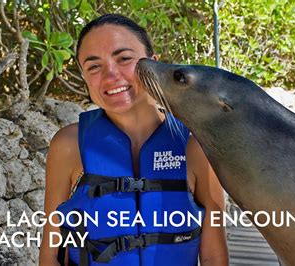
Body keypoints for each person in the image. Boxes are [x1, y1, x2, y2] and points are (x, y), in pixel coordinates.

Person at [39, 14, 228, 266]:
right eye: (94, 66)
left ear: (153, 64)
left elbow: (214, 255)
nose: (111, 75)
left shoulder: (196, 144)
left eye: (124, 59)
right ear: (84, 77)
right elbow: (51, 251)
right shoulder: (69, 145)